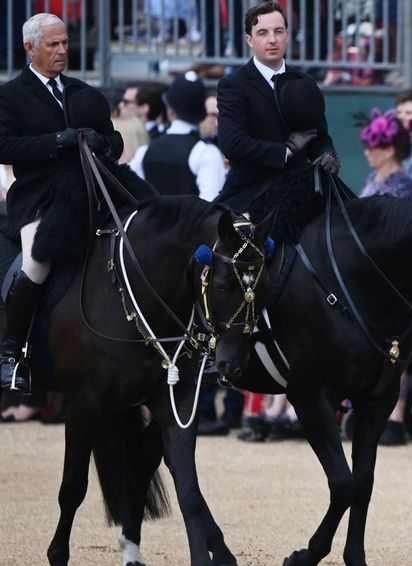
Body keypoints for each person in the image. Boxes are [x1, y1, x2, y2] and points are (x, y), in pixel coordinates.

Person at [0, 13, 124, 392]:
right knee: (37, 260)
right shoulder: (9, 95)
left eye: (65, 43)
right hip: (39, 198)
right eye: (52, 45)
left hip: (89, 192)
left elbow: (113, 138)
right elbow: (4, 146)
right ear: (29, 48)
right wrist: (58, 140)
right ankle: (10, 351)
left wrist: (106, 144)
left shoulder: (81, 91)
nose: (62, 51)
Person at [215, 1, 340, 213]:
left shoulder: (305, 81)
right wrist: (285, 151)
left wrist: (329, 154)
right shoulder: (233, 84)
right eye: (262, 33)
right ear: (249, 40)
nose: (272, 40)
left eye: (278, 31)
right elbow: (232, 143)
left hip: (303, 189)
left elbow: (319, 136)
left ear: (287, 36)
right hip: (250, 192)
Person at [129, 71, 226, 201]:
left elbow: (130, 197)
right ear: (201, 114)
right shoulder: (207, 153)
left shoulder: (144, 152)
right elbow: (210, 207)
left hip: (153, 220)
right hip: (193, 221)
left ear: (170, 111)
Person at [358, 108, 412, 198]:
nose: (366, 153)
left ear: (389, 151)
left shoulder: (402, 183)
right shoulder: (371, 177)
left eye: (370, 149)